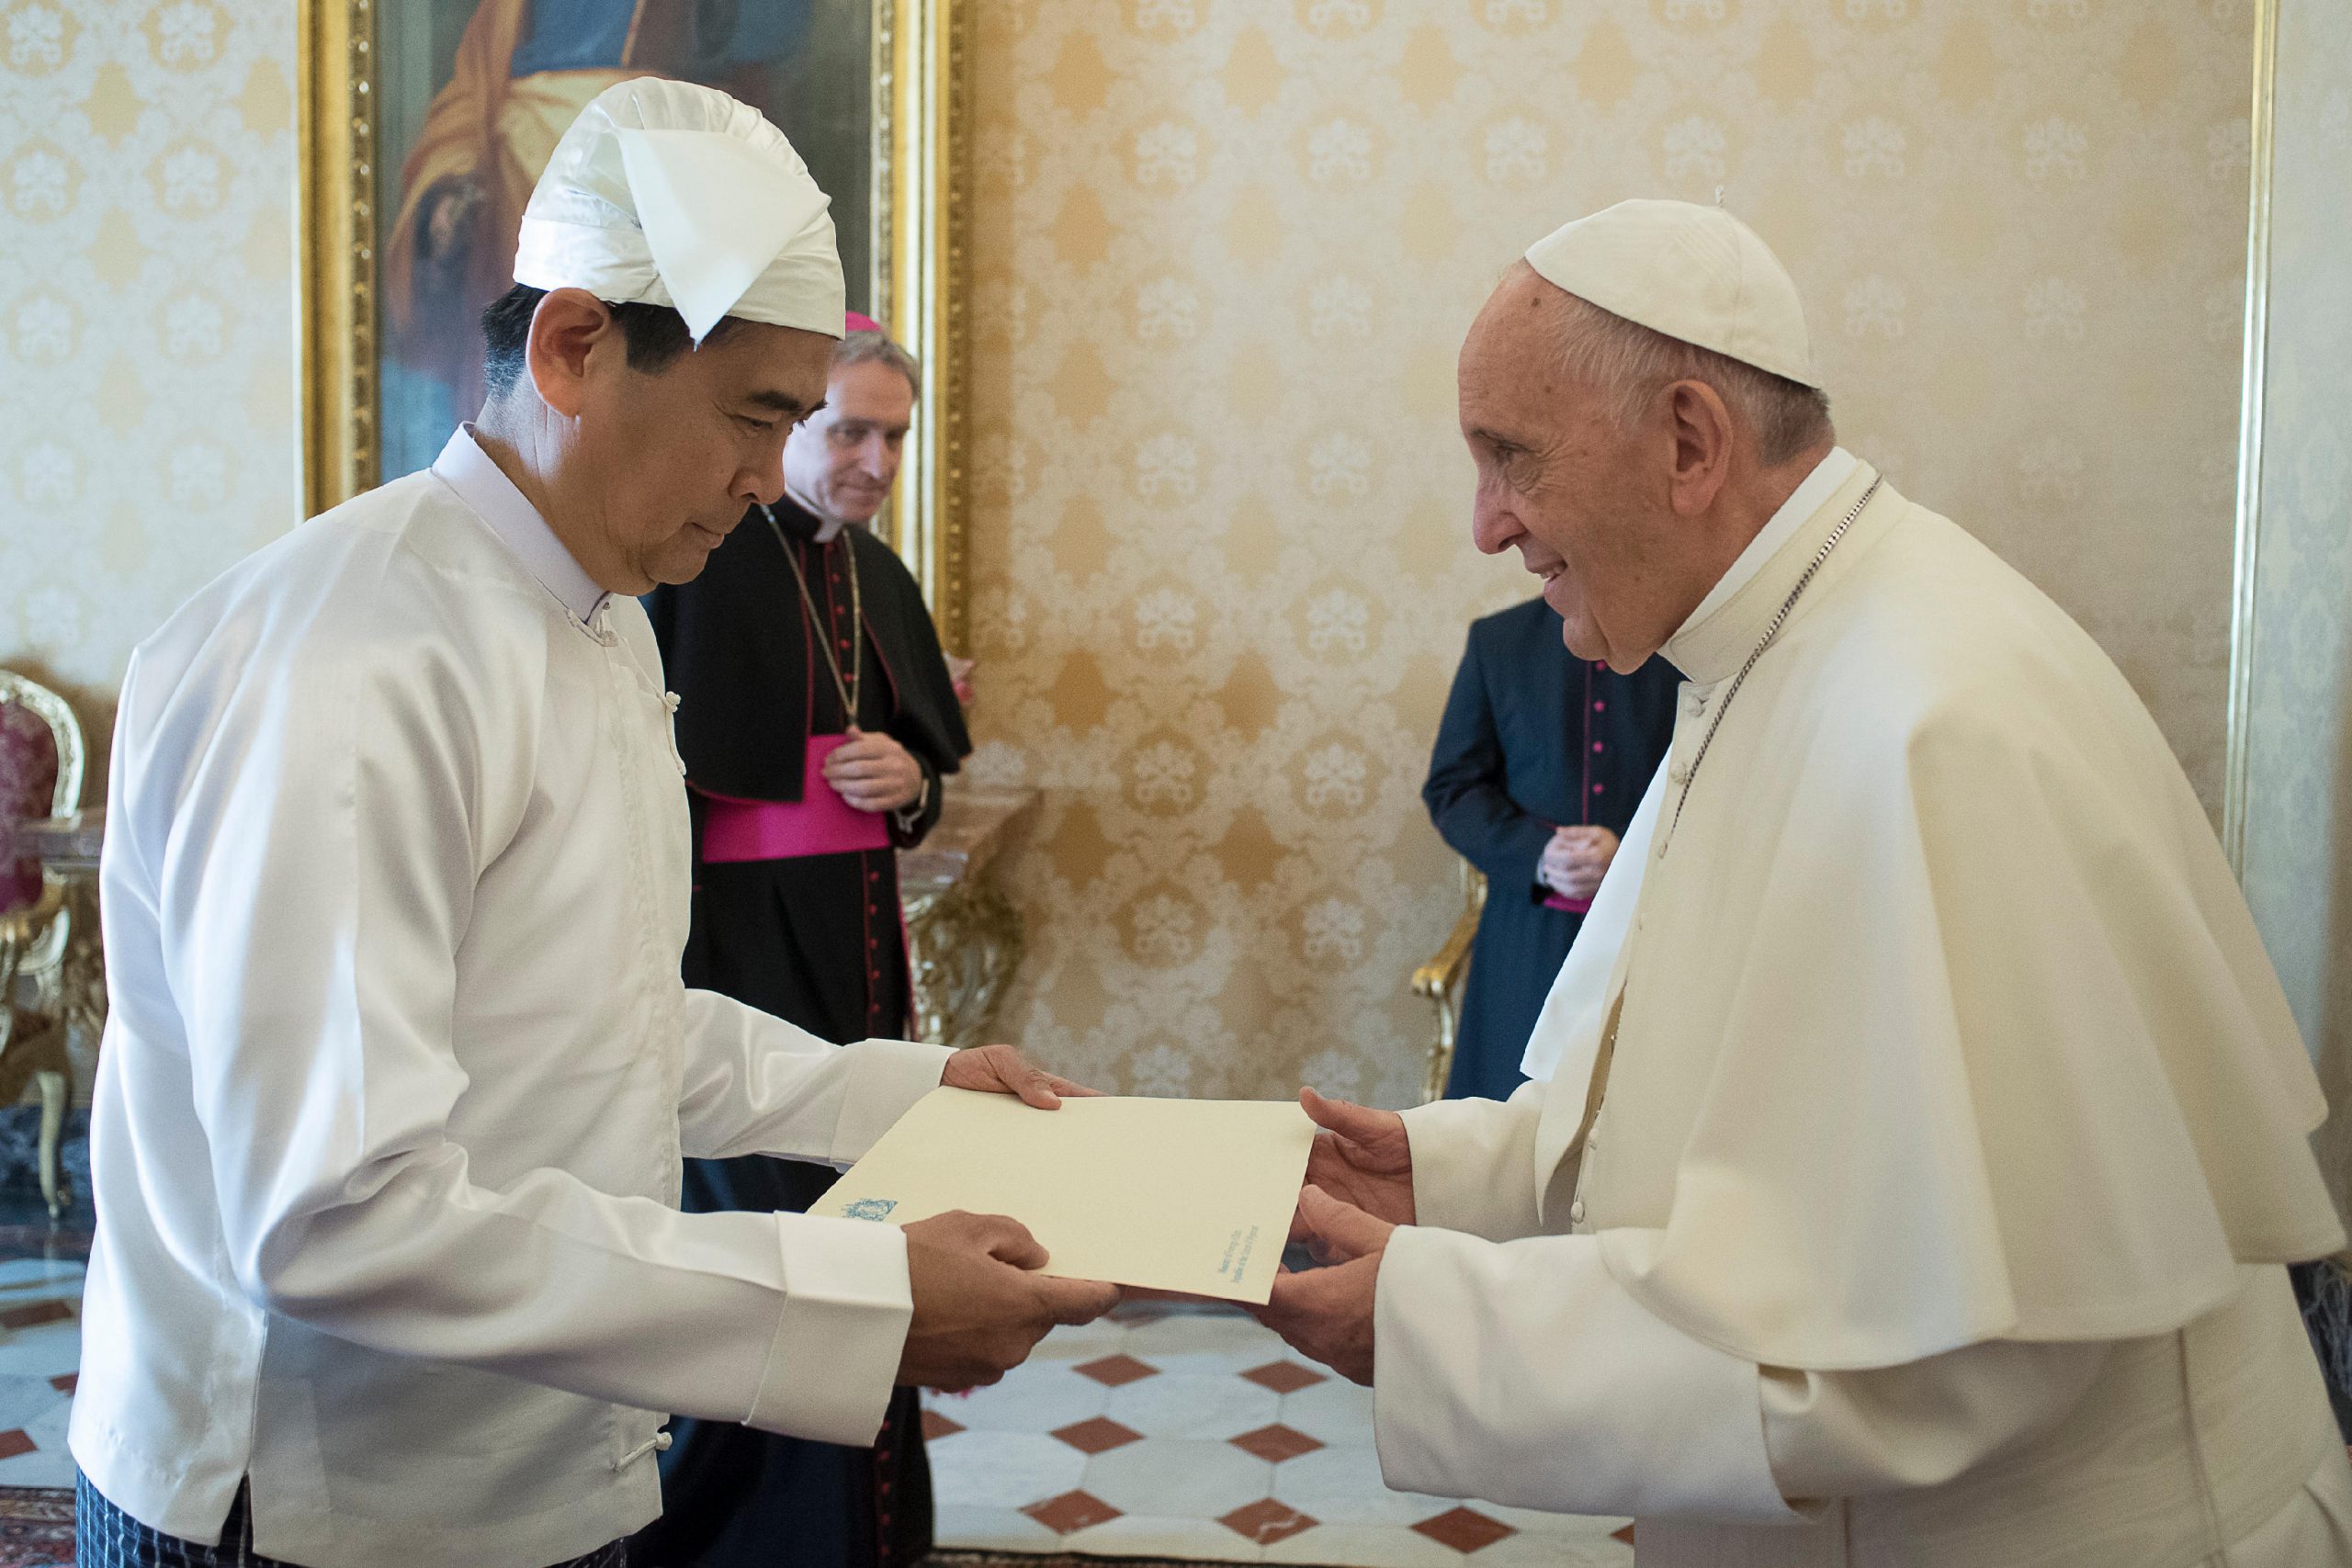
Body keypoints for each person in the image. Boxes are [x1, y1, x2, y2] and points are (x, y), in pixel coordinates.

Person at [72, 78, 1116, 1568]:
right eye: (758, 417)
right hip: (319, 1502)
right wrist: (852, 1296)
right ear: (573, 347)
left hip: (540, 1463)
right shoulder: (353, 662)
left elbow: (605, 1025)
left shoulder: (603, 613)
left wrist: (907, 1092)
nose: (775, 480)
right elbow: (336, 1223)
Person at [1257, 198, 2352, 1564]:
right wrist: (1444, 1176)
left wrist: (1429, 1323)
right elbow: (1716, 1102)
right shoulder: (1771, 647)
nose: (1486, 525)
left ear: (1690, 441)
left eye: (1510, 458)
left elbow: (1939, 1352)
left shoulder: (1927, 712)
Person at [634, 318, 965, 1568]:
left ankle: (870, 1537)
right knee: (777, 1246)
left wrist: (908, 777)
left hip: (862, 945)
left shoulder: (877, 574)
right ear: (793, 428)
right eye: (849, 429)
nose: (873, 457)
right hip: (735, 957)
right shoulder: (702, 560)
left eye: (892, 435)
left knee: (870, 1214)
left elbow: (918, 761)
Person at [1423, 598, 1676, 1100]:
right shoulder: (1498, 640)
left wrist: (1631, 854)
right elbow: (1454, 788)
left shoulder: (1680, 638)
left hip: (1657, 923)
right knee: (1509, 1114)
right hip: (1527, 936)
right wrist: (1539, 853)